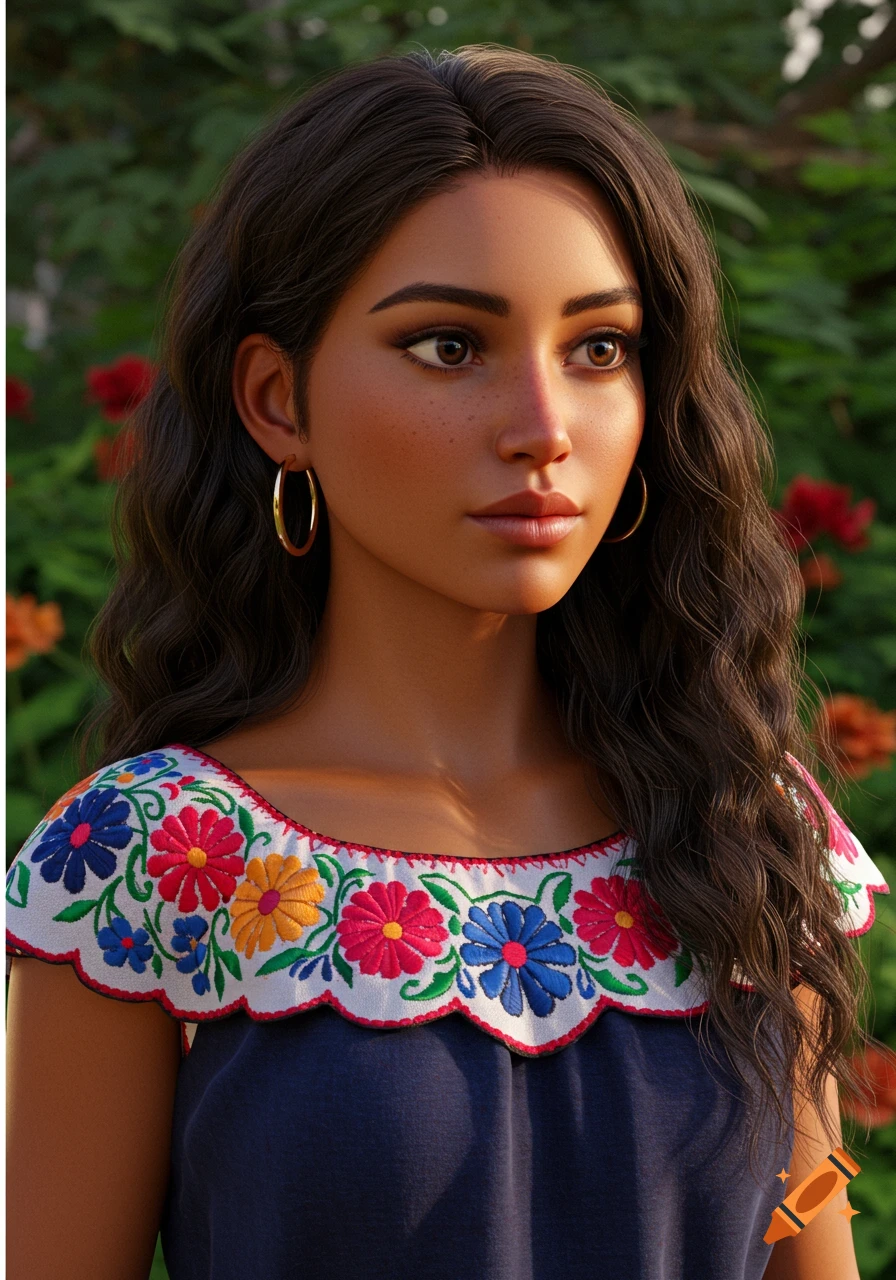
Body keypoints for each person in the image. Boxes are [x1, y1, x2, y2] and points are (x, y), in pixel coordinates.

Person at [5, 44, 890, 1280]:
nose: (542, 428)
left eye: (598, 348)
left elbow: (804, 1241)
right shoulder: (154, 860)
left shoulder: (742, 819)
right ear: (276, 401)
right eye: (447, 346)